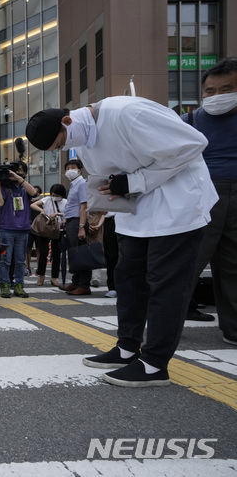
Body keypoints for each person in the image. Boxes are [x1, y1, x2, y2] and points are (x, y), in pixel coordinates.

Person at [26, 96, 218, 387]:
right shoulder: (85, 137)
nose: (63, 150)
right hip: (134, 213)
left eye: (60, 143)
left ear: (67, 121)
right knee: (127, 278)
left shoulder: (127, 113)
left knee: (165, 283)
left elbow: (193, 143)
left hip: (176, 207)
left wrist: (133, 182)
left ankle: (155, 363)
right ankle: (127, 348)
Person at [181, 57, 237, 340]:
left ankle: (234, 329)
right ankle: (161, 325)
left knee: (232, 266)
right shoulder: (188, 121)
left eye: (226, 90)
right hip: (201, 192)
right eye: (210, 91)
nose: (217, 97)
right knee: (185, 262)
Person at [0, 161, 38, 298]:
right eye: (13, 171)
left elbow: (34, 193)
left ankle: (19, 285)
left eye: (18, 170)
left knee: (20, 260)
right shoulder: (5, 188)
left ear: (24, 173)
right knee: (5, 260)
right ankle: (5, 285)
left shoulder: (25, 188)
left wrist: (19, 179)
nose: (14, 173)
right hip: (6, 229)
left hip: (23, 230)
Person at [58, 159, 91, 295]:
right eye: (67, 168)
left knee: (81, 254)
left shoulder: (82, 184)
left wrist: (82, 227)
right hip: (72, 221)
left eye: (72, 167)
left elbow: (84, 206)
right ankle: (76, 282)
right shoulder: (74, 185)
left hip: (78, 221)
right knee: (74, 254)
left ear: (80, 170)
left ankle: (84, 285)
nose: (69, 170)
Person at [30, 183, 66, 287]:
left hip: (59, 230)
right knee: (43, 253)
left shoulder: (66, 202)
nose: (54, 197)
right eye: (53, 194)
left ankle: (54, 278)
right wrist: (42, 210)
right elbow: (32, 204)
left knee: (57, 254)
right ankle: (41, 276)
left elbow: (70, 212)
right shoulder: (47, 199)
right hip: (45, 229)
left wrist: (58, 214)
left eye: (57, 195)